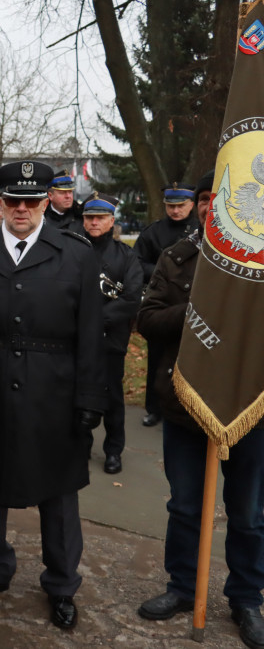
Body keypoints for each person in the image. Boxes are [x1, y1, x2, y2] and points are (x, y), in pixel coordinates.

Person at [0, 160, 105, 631]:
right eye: (12, 201)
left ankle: (62, 584)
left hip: (56, 391)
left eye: (31, 201)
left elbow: (91, 333)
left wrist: (90, 397)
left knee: (59, 494)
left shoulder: (77, 254)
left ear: (47, 201)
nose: (21, 209)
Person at [136, 173, 264, 649]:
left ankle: (246, 598)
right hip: (185, 405)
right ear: (199, 207)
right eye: (207, 199)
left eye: (221, 197)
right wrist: (196, 309)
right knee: (186, 506)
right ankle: (182, 588)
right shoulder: (177, 257)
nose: (214, 206)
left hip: (251, 410)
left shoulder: (261, 260)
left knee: (249, 514)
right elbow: (146, 319)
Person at [80, 194, 141, 474]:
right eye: (89, 217)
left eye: (100, 218)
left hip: (111, 339)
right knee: (76, 393)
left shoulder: (126, 256)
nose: (94, 222)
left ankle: (113, 450)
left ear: (111, 221)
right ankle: (79, 446)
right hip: (75, 338)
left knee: (113, 398)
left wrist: (94, 320)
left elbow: (131, 299)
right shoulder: (72, 249)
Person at [133, 182, 198, 428]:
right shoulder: (154, 232)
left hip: (191, 308)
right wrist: (163, 272)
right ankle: (154, 408)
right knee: (157, 359)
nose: (175, 210)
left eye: (180, 205)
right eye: (171, 206)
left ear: (191, 204)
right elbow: (137, 262)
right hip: (162, 304)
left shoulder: (199, 230)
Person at [44, 170, 84, 234]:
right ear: (50, 196)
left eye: (70, 192)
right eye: (62, 193)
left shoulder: (81, 215)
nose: (68, 196)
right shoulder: (41, 217)